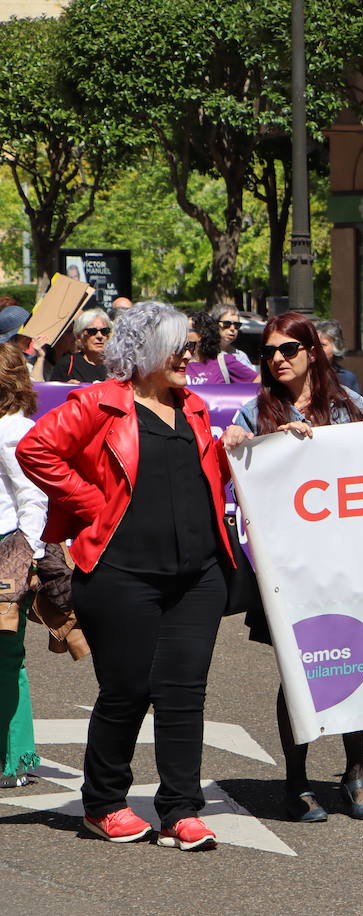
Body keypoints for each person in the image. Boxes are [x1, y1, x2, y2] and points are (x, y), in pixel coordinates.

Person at [18, 301, 235, 850]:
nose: (189, 353)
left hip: (197, 577)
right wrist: (90, 501)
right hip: (122, 575)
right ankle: (104, 803)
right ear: (144, 351)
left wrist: (231, 455)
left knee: (185, 693)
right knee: (127, 691)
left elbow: (198, 480)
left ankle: (181, 810)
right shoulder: (99, 403)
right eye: (177, 344)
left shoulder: (195, 408)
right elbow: (34, 448)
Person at [221, 313, 363, 823]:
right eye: (268, 352)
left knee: (358, 664)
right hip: (286, 572)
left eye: (288, 348)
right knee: (299, 672)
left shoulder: (353, 409)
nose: (278, 359)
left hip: (347, 562)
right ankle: (297, 780)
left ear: (314, 351)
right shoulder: (251, 414)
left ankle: (355, 772)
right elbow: (233, 486)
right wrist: (237, 452)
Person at [0, 343, 47, 789]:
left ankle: (13, 759)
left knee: (5, 657)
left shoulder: (15, 430)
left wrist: (25, 554)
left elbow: (33, 499)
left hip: (5, 554)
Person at [185, 311, 258, 384]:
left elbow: (258, 382)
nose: (180, 333)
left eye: (185, 330)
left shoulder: (223, 361)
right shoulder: (176, 362)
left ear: (201, 334)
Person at [51, 307, 111, 383]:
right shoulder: (67, 364)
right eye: (92, 331)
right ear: (79, 337)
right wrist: (66, 388)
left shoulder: (116, 365)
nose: (99, 336)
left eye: (104, 331)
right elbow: (54, 393)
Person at [211, 303, 257, 378]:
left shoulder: (241, 357)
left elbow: (252, 384)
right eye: (227, 324)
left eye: (237, 325)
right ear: (215, 324)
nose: (232, 329)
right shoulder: (202, 355)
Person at [314, 319, 358, 393]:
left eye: (322, 345)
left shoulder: (347, 378)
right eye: (314, 344)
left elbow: (356, 403)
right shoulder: (303, 375)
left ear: (336, 346)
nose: (316, 349)